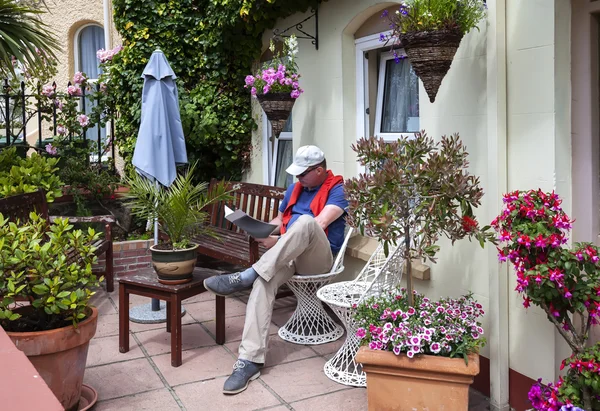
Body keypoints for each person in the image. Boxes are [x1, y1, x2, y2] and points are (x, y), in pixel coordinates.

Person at [203, 145, 348, 395]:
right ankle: (249, 361)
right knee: (263, 283)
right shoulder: (295, 189)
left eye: (302, 174)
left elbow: (319, 224)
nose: (298, 179)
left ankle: (247, 274)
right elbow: (279, 222)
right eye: (297, 175)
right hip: (289, 254)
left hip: (318, 258)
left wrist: (278, 241)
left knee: (304, 221)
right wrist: (259, 229)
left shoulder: (338, 191)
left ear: (320, 170)